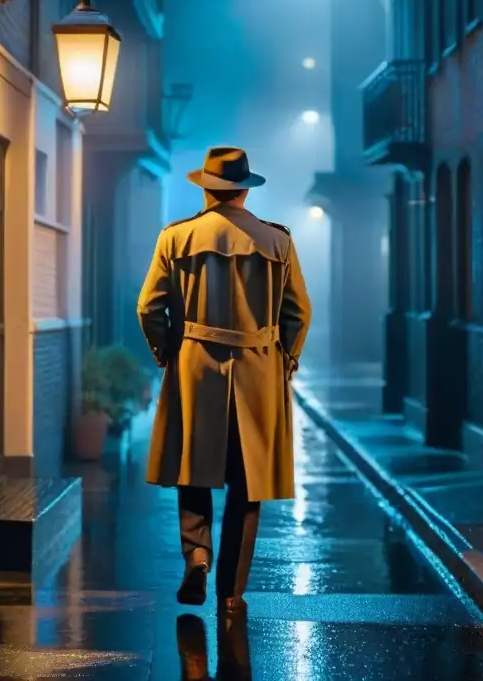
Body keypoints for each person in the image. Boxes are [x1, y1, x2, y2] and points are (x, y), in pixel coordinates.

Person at [136, 146, 312, 615]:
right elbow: (298, 312)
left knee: (192, 467)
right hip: (258, 368)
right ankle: (232, 592)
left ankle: (197, 554)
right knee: (247, 480)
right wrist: (284, 361)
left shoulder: (176, 238)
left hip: (195, 363)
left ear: (206, 187)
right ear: (244, 189)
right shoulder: (277, 242)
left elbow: (148, 307)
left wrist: (167, 353)